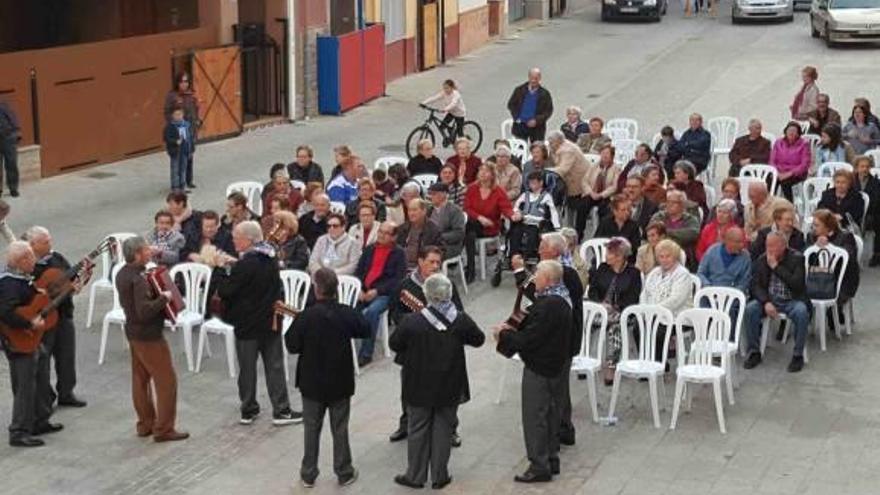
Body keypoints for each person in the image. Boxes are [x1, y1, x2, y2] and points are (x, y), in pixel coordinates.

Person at [391, 274, 484, 490]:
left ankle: (415, 475)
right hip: (450, 383)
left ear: (427, 295)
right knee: (443, 428)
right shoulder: (460, 319)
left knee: (417, 429)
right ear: (449, 294)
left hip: (418, 384)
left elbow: (395, 343)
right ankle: (440, 476)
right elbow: (478, 339)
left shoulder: (412, 321)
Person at [284, 268, 368, 488]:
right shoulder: (345, 313)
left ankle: (308, 474)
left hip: (312, 383)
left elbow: (291, 345)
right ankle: (344, 471)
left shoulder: (306, 315)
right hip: (340, 381)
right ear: (336, 290)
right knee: (340, 428)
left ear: (316, 289)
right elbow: (365, 328)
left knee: (311, 428)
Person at [494, 260, 572, 483]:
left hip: (541, 367)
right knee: (550, 414)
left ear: (547, 280)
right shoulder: (561, 300)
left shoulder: (548, 306)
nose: (534, 278)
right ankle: (551, 459)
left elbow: (530, 339)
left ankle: (539, 465)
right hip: (556, 365)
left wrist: (504, 335)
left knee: (535, 416)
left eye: (537, 275)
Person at [215, 221, 299, 426]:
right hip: (270, 321)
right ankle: (282, 410)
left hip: (247, 324)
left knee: (247, 368)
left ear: (248, 240)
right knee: (275, 366)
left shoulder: (246, 264)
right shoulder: (269, 258)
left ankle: (248, 409)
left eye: (237, 237)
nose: (234, 240)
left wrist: (218, 269)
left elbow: (227, 290)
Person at [511, 234, 583, 447]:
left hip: (562, 340)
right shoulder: (556, 270)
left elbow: (537, 294)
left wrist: (518, 272)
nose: (539, 250)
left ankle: (558, 432)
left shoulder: (564, 273)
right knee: (560, 388)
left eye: (543, 247)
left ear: (555, 252)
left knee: (556, 390)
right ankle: (564, 428)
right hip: (560, 338)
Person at [388, 247, 464, 444]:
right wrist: (414, 320)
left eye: (438, 262)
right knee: (408, 387)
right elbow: (395, 312)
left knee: (446, 390)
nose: (435, 266)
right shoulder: (405, 286)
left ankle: (450, 429)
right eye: (431, 261)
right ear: (420, 261)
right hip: (413, 347)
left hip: (440, 346)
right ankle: (407, 424)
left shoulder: (446, 284)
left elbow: (459, 311)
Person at [116, 237, 188, 442]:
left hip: (133, 332)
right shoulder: (138, 279)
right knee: (166, 381)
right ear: (138, 254)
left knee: (140, 379)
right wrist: (164, 298)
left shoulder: (123, 273)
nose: (151, 251)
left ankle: (145, 423)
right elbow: (145, 310)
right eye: (147, 250)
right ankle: (164, 429)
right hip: (149, 336)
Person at [1, 241, 59, 447]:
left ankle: (39, 419)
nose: (35, 260)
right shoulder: (8, 283)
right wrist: (29, 323)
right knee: (24, 385)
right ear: (21, 261)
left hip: (30, 339)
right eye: (31, 257)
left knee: (41, 373)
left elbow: (29, 301)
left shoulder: (21, 278)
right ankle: (19, 431)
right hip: (18, 340)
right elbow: (6, 313)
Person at [26, 227, 87, 408]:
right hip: (43, 319)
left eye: (50, 240)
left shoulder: (57, 258)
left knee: (66, 356)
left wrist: (78, 283)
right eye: (45, 242)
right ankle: (46, 397)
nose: (50, 244)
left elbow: (72, 277)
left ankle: (66, 392)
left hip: (63, 314)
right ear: (32, 245)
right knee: (43, 364)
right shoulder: (28, 265)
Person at [743, 232, 809, 373]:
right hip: (770, 299)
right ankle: (754, 352)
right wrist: (766, 302)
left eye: (773, 246)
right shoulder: (762, 260)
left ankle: (798, 355)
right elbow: (755, 286)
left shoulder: (797, 259)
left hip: (791, 300)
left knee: (802, 312)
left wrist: (776, 267)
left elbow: (797, 285)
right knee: (750, 309)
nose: (769, 249)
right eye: (767, 245)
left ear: (784, 246)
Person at [587, 238, 641, 386]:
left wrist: (615, 307)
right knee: (583, 319)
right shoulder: (602, 268)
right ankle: (583, 356)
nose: (606, 256)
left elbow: (633, 297)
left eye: (609, 253)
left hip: (623, 312)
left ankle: (611, 365)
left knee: (615, 326)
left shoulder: (633, 273)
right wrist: (600, 304)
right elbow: (592, 290)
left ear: (620, 255)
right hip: (600, 308)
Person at [354, 221, 406, 366]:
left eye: (386, 233)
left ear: (394, 237)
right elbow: (358, 272)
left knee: (372, 311)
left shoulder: (399, 253)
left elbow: (398, 280)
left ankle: (366, 353)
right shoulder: (369, 249)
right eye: (380, 232)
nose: (381, 235)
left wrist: (377, 291)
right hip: (363, 291)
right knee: (342, 309)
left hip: (384, 294)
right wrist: (359, 289)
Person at [642, 239, 693, 361]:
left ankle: (659, 365)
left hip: (677, 317)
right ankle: (648, 361)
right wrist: (644, 309)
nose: (664, 259)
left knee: (658, 331)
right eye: (661, 256)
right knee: (638, 327)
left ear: (675, 257)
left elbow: (676, 300)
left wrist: (655, 310)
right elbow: (645, 293)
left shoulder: (683, 274)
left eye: (668, 256)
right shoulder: (654, 272)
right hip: (653, 314)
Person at [463, 163, 515, 282]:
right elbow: (466, 208)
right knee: (469, 231)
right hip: (475, 224)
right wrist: (480, 218)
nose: (482, 173)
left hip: (490, 227)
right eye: (480, 170)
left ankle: (470, 270)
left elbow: (506, 208)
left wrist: (513, 215)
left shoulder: (498, 191)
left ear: (492, 175)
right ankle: (471, 269)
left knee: (467, 229)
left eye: (486, 171)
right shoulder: (472, 188)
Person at [809, 210, 859, 309]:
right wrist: (815, 247)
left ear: (828, 227)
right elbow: (804, 257)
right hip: (815, 279)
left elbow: (848, 259)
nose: (813, 228)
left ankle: (834, 313)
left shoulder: (846, 237)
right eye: (813, 225)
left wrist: (829, 247)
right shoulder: (811, 236)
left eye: (816, 225)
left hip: (841, 280)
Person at [547, 130, 591, 238]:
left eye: (551, 142)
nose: (549, 144)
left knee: (571, 206)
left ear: (558, 141)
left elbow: (563, 169)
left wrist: (546, 171)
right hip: (568, 182)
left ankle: (572, 232)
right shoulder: (557, 147)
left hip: (578, 183)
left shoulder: (568, 150)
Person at [509, 172, 561, 258]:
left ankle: (528, 256)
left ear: (541, 183)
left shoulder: (546, 196)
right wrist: (517, 213)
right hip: (524, 221)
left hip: (537, 223)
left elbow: (553, 212)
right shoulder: (525, 195)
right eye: (530, 183)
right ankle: (513, 255)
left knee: (532, 235)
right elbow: (516, 206)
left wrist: (557, 227)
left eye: (534, 183)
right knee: (515, 233)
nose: (531, 185)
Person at [163, 73, 199, 189]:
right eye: (182, 81)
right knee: (177, 161)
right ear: (177, 83)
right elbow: (167, 112)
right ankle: (176, 184)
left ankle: (188, 180)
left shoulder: (191, 95)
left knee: (189, 154)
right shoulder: (172, 96)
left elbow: (195, 110)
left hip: (190, 128)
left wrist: (197, 122)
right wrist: (174, 124)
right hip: (178, 130)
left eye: (186, 81)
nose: (184, 84)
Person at [650, 190, 700, 270]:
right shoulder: (659, 216)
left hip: (683, 258)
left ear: (682, 205)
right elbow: (652, 231)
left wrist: (665, 232)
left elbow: (692, 234)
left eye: (674, 202)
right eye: (668, 202)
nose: (670, 205)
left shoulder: (690, 219)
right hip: (658, 255)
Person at [579, 144, 620, 236]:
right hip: (592, 193)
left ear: (612, 156)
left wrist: (601, 195)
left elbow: (614, 186)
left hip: (606, 196)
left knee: (604, 210)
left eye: (607, 153)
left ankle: (600, 235)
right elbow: (584, 181)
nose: (605, 155)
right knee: (582, 206)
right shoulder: (594, 166)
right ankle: (579, 233)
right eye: (603, 153)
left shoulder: (616, 169)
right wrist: (590, 192)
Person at [697, 226, 751, 293]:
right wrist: (707, 286)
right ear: (727, 241)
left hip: (732, 295)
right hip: (710, 291)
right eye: (738, 242)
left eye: (743, 242)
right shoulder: (712, 251)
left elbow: (744, 282)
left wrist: (733, 293)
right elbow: (701, 273)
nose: (742, 245)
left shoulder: (745, 257)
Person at [507, 68, 554, 142]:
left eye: (536, 78)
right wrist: (517, 118)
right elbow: (511, 105)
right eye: (532, 78)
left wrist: (536, 120)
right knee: (519, 150)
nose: (533, 80)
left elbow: (548, 111)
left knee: (537, 150)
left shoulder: (545, 94)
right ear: (528, 77)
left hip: (537, 128)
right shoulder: (519, 90)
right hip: (520, 126)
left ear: (540, 78)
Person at [771, 122, 811, 202]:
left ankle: (789, 204)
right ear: (785, 131)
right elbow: (772, 160)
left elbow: (804, 164)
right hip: (779, 171)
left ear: (798, 133)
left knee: (785, 183)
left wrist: (789, 173)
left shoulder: (804, 144)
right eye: (789, 130)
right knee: (770, 181)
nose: (791, 133)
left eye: (794, 131)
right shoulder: (778, 142)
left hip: (796, 173)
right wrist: (776, 172)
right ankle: (771, 203)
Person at [397, 198, 442, 269]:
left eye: (414, 210)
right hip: (401, 265)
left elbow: (439, 251)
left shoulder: (433, 230)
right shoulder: (402, 228)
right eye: (409, 210)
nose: (411, 213)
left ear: (424, 211)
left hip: (421, 267)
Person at [595, 194, 640, 263]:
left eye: (628, 209)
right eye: (623, 210)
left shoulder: (634, 225)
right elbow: (597, 242)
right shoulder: (605, 222)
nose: (627, 213)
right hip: (606, 259)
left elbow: (635, 247)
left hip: (627, 261)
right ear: (615, 211)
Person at [427, 182, 466, 259]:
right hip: (430, 243)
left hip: (449, 246)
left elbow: (459, 233)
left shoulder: (454, 210)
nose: (431, 197)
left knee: (427, 253)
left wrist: (440, 237)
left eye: (434, 194)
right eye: (430, 194)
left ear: (443, 194)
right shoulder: (429, 210)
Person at [853, 155, 880, 265]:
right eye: (862, 166)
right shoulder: (851, 181)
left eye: (867, 167)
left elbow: (876, 200)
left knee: (877, 220)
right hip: (854, 211)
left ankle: (877, 254)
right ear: (856, 168)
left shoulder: (876, 183)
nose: (864, 169)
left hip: (871, 212)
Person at [163, 106, 193, 192]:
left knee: (183, 169)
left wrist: (191, 149)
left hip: (185, 149)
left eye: (180, 114)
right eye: (176, 115)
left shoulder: (186, 125)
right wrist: (175, 141)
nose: (178, 116)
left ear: (183, 115)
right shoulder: (170, 126)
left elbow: (190, 137)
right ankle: (175, 187)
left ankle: (183, 186)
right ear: (172, 115)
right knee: (175, 169)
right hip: (175, 151)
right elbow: (166, 138)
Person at [0, 99, 21, 197]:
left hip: (8, 138)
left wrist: (17, 133)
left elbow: (13, 119)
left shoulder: (3, 106)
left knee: (11, 164)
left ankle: (13, 188)